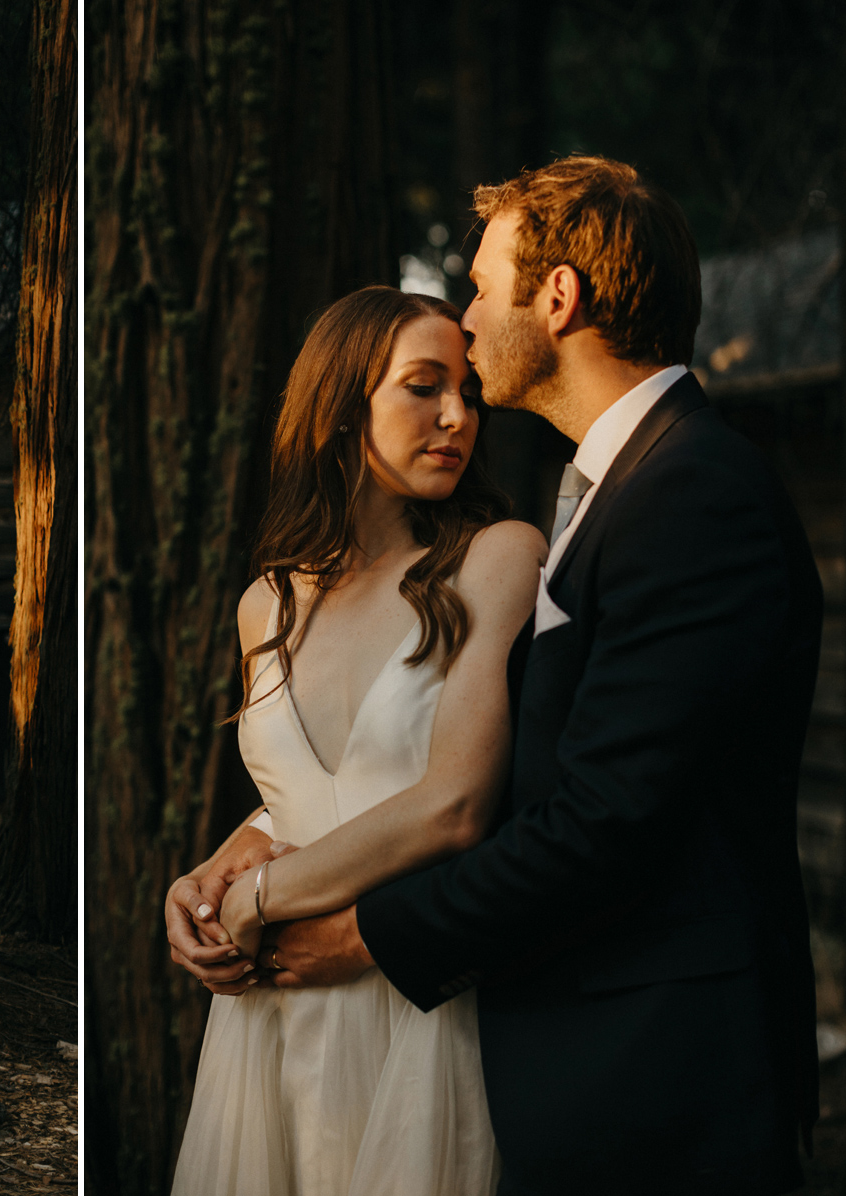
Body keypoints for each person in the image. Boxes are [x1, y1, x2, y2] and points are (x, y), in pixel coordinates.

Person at [170, 157, 822, 1195]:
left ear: (556, 296)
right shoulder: (617, 490)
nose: (467, 319)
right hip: (544, 1044)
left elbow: (598, 816)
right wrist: (233, 859)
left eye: (480, 285)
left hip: (657, 1061)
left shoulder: (689, 492)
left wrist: (350, 931)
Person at [165, 284, 545, 1195]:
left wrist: (257, 898)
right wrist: (207, 880)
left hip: (418, 999)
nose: (458, 415)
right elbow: (312, 788)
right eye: (424, 386)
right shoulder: (267, 602)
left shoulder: (497, 557)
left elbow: (451, 805)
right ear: (341, 411)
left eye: (466, 391)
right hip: (268, 1022)